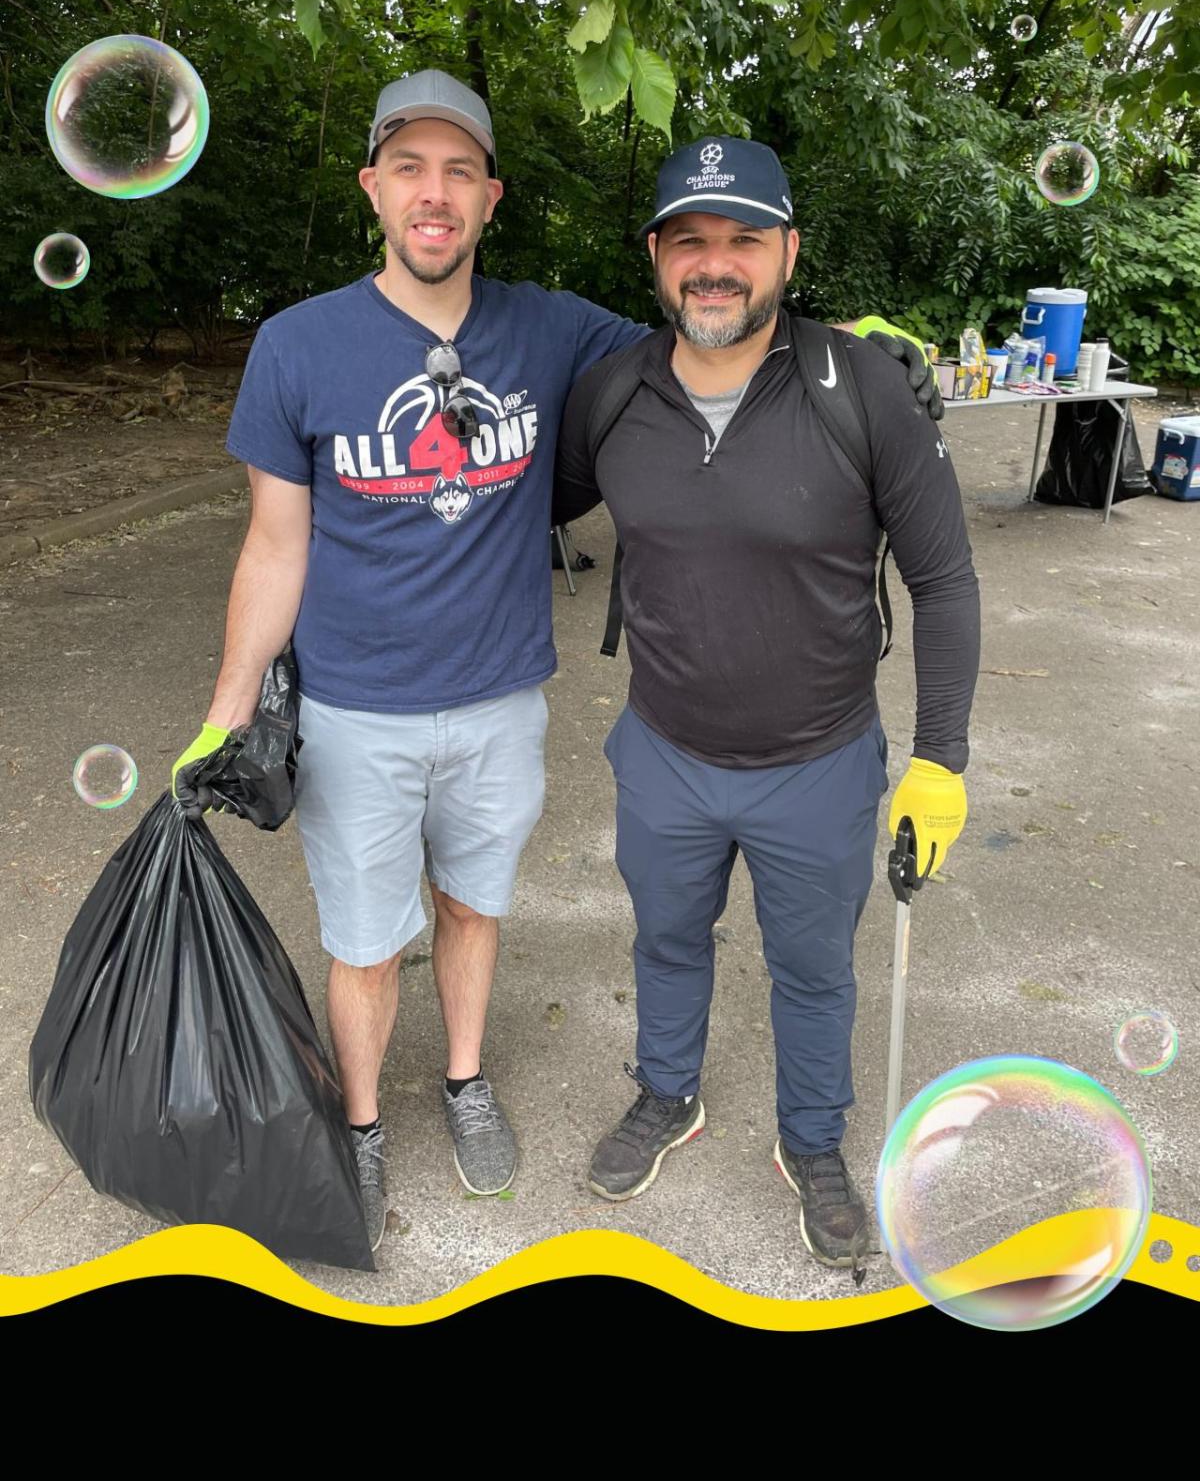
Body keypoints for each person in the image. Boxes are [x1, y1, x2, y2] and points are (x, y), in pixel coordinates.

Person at [170, 72, 943, 1255]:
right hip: (355, 712)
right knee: (366, 940)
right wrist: (226, 711)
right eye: (410, 168)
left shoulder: (556, 332)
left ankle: (469, 1083)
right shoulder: (296, 345)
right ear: (374, 185)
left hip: (498, 706)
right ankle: (366, 1124)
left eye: (459, 171)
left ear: (491, 193)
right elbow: (276, 545)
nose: (435, 194)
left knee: (475, 911)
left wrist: (850, 351)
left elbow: (711, 329)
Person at [552, 137, 980, 1272]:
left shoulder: (864, 388)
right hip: (664, 750)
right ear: (655, 256)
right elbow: (504, 500)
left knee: (814, 970)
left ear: (789, 250)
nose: (716, 264)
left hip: (820, 763)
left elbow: (943, 577)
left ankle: (813, 1142)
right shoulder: (612, 394)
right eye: (690, 239)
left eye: (744, 238)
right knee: (667, 937)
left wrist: (942, 757)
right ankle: (667, 1093)